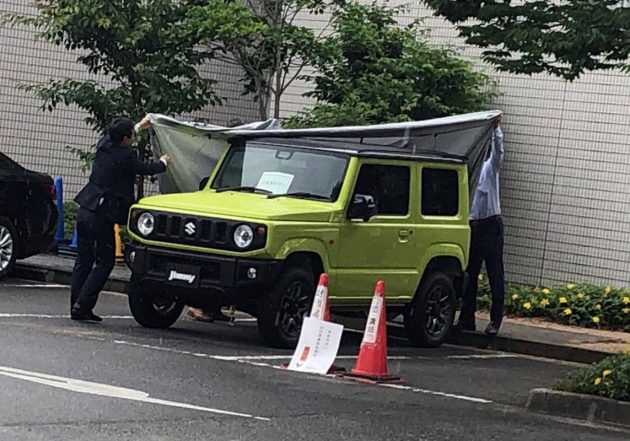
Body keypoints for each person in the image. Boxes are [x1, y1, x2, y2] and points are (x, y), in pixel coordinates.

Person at [70, 116, 170, 321]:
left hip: (86, 208)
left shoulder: (104, 145)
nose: (134, 139)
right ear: (125, 139)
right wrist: (163, 162)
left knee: (84, 259)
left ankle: (76, 304)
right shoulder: (126, 157)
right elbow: (146, 168)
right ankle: (83, 305)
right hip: (102, 215)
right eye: (132, 136)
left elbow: (114, 137)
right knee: (105, 262)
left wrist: (139, 126)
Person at [457, 116, 505, 335]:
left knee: (495, 273)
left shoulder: (489, 168)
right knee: (470, 273)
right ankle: (467, 318)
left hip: (491, 225)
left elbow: (498, 152)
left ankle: (496, 320)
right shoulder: (466, 172)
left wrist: (496, 130)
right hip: (473, 227)